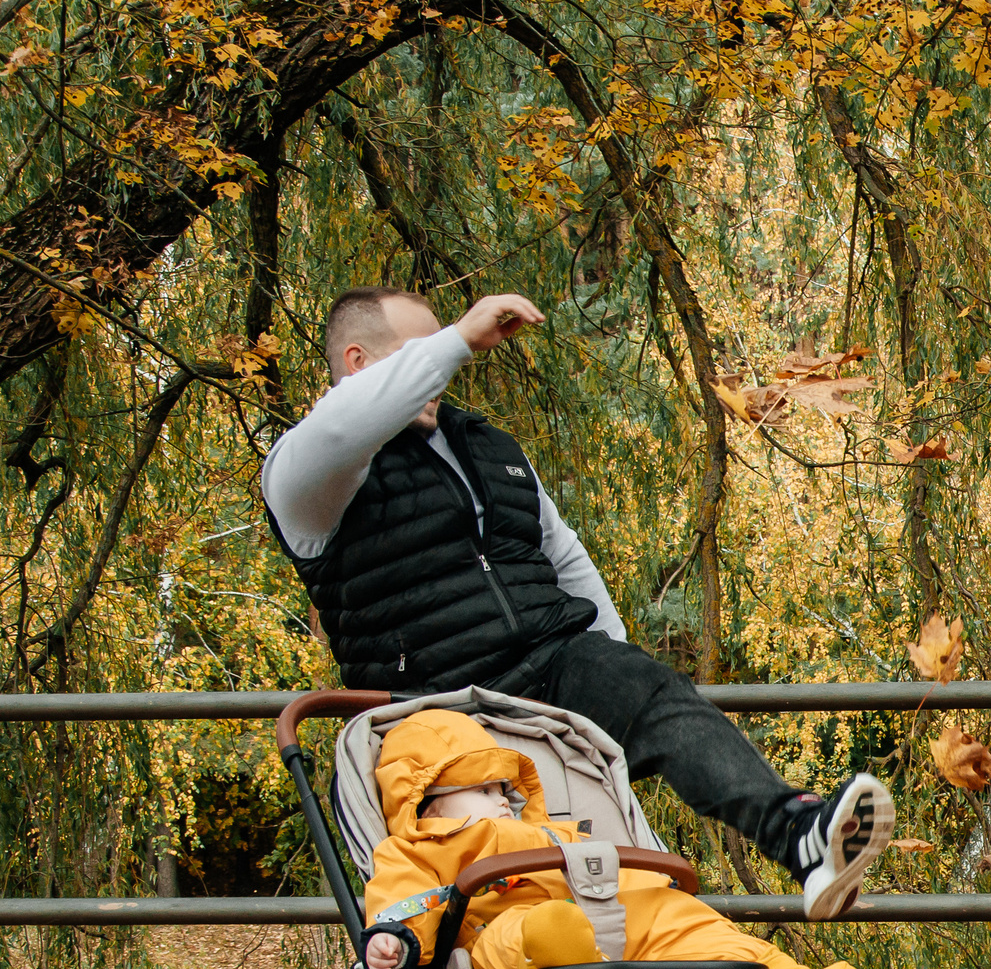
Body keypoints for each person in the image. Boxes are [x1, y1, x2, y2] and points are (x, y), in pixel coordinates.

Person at [262, 287, 889, 919]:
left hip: (548, 666)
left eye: (442, 354)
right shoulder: (308, 475)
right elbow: (342, 428)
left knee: (645, 686)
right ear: (359, 364)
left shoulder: (489, 449)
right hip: (431, 704)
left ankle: (798, 836)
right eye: (421, 353)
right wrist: (457, 340)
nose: (442, 371)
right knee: (475, 916)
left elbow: (565, 559)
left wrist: (612, 662)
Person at [358, 711, 864, 969]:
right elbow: (400, 899)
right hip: (499, 928)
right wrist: (393, 939)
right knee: (523, 933)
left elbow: (611, 868)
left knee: (686, 918)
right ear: (428, 801)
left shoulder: (549, 832)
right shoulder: (415, 849)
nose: (501, 800)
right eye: (483, 789)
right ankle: (559, 947)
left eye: (503, 788)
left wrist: (651, 888)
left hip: (599, 911)